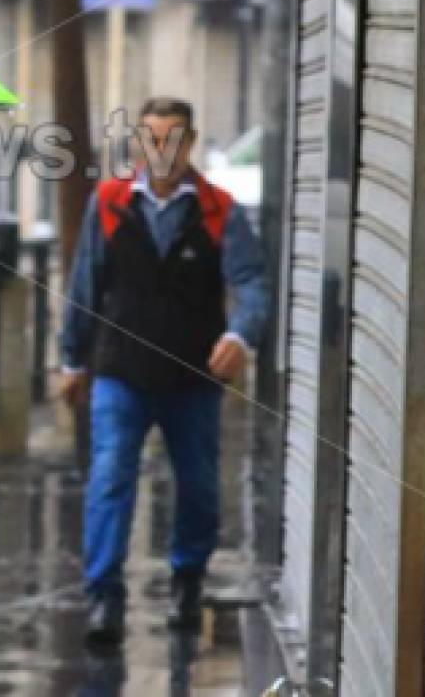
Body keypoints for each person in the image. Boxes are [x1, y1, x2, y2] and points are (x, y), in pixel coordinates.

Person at [58, 97, 269, 645]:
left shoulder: (220, 210)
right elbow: (84, 285)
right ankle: (103, 596)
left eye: (172, 137)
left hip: (192, 379)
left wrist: (239, 334)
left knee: (198, 485)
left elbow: (252, 285)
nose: (161, 149)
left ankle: (187, 580)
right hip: (120, 374)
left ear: (191, 141)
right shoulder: (107, 203)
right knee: (109, 480)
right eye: (151, 138)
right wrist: (71, 360)